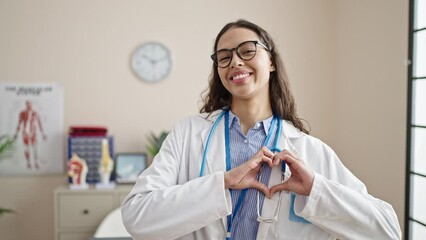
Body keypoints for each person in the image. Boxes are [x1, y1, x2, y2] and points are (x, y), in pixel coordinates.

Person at [121, 19, 401, 240]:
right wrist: (222, 184)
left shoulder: (308, 149)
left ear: (271, 62)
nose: (235, 61)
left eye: (247, 50)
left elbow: (387, 230)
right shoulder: (187, 134)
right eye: (224, 56)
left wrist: (316, 190)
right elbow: (137, 218)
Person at [14, 100, 47, 169]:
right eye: (27, 104)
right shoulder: (22, 113)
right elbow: (19, 123)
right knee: (27, 148)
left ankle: (36, 162)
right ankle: (28, 163)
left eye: (30, 104)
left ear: (31, 105)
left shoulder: (35, 113)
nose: (29, 106)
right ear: (26, 105)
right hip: (25, 133)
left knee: (35, 148)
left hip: (33, 133)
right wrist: (16, 134)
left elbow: (39, 123)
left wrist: (43, 134)